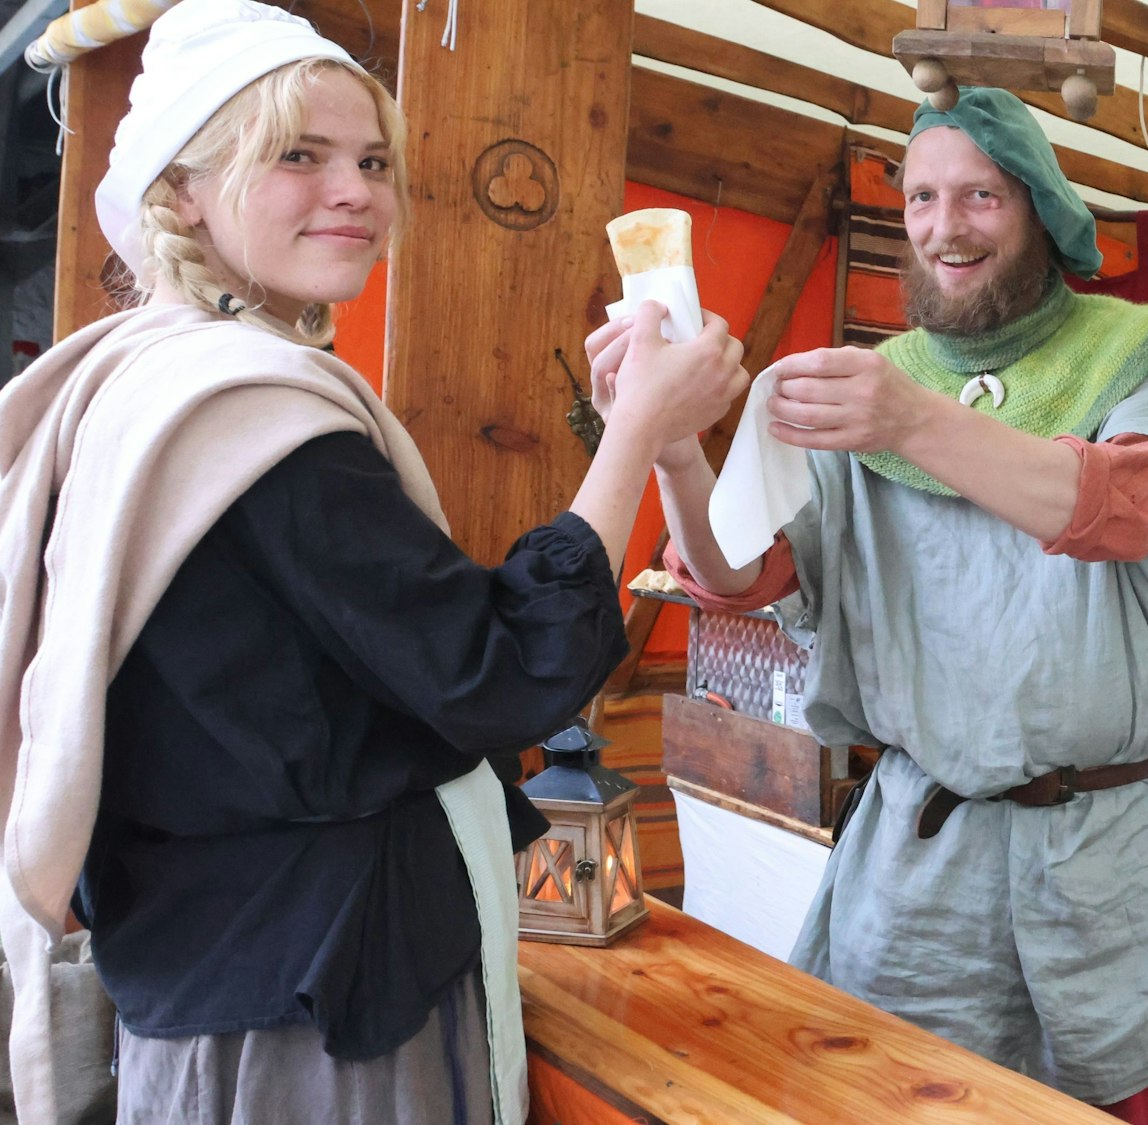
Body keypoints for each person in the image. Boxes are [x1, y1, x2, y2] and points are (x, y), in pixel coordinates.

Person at [0, 3, 747, 1122]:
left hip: (221, 968)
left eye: (372, 160)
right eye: (296, 155)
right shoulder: (242, 416)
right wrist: (635, 434)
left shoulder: (127, 381)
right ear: (182, 189)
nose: (354, 190)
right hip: (315, 1013)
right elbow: (498, 673)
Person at [590, 87, 1148, 1122]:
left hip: (1115, 860)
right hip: (921, 868)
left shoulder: (1143, 347)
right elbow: (730, 576)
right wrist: (669, 438)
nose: (946, 229)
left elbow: (1124, 509)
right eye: (922, 200)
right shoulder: (876, 381)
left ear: (1036, 206)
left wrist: (909, 420)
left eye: (981, 196)